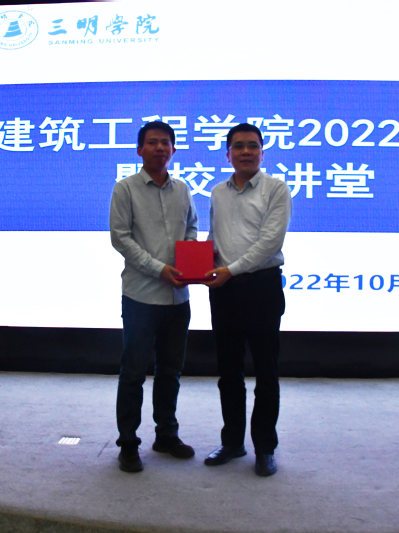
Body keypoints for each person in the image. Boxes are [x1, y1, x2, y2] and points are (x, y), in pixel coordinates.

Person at [203, 123, 292, 477]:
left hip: (261, 287)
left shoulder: (276, 189)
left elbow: (270, 242)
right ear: (228, 154)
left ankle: (265, 448)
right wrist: (201, 264)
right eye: (238, 146)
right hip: (224, 290)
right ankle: (232, 442)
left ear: (262, 153)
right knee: (228, 372)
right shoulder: (217, 192)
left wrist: (230, 269)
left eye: (252, 146)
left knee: (266, 372)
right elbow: (214, 238)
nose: (245, 152)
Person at [109, 121, 198, 473]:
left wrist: (189, 260)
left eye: (166, 143)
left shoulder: (183, 189)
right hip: (141, 297)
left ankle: (166, 435)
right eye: (152, 142)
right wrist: (159, 269)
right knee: (133, 373)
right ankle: (128, 443)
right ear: (139, 150)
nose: (160, 148)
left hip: (178, 298)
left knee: (170, 372)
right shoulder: (125, 189)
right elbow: (120, 238)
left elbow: (191, 227)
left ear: (173, 150)